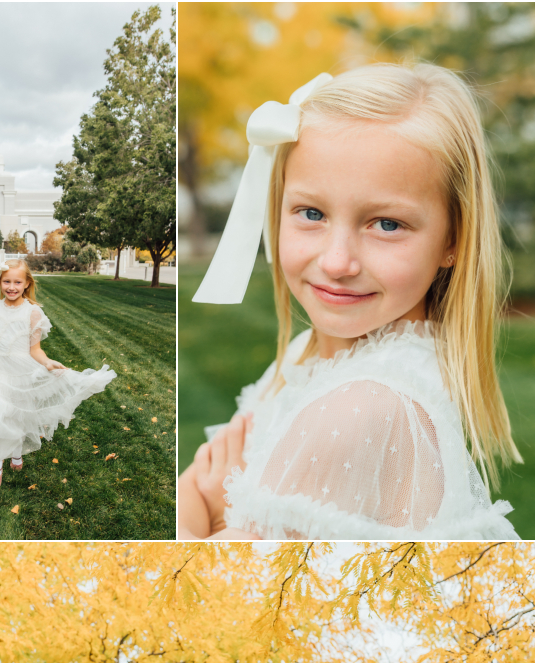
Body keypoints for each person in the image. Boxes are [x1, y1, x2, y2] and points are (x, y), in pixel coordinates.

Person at [178, 65, 519, 541]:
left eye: (386, 224)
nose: (338, 262)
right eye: (311, 213)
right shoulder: (310, 355)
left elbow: (206, 600)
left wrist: (207, 517)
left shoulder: (362, 407)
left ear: (453, 239)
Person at [0, 258, 115, 491]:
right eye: (6, 281)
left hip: (21, 374)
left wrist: (47, 363)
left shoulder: (33, 313)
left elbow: (34, 349)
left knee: (16, 416)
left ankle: (16, 452)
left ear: (27, 284)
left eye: (17, 282)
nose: (11, 287)